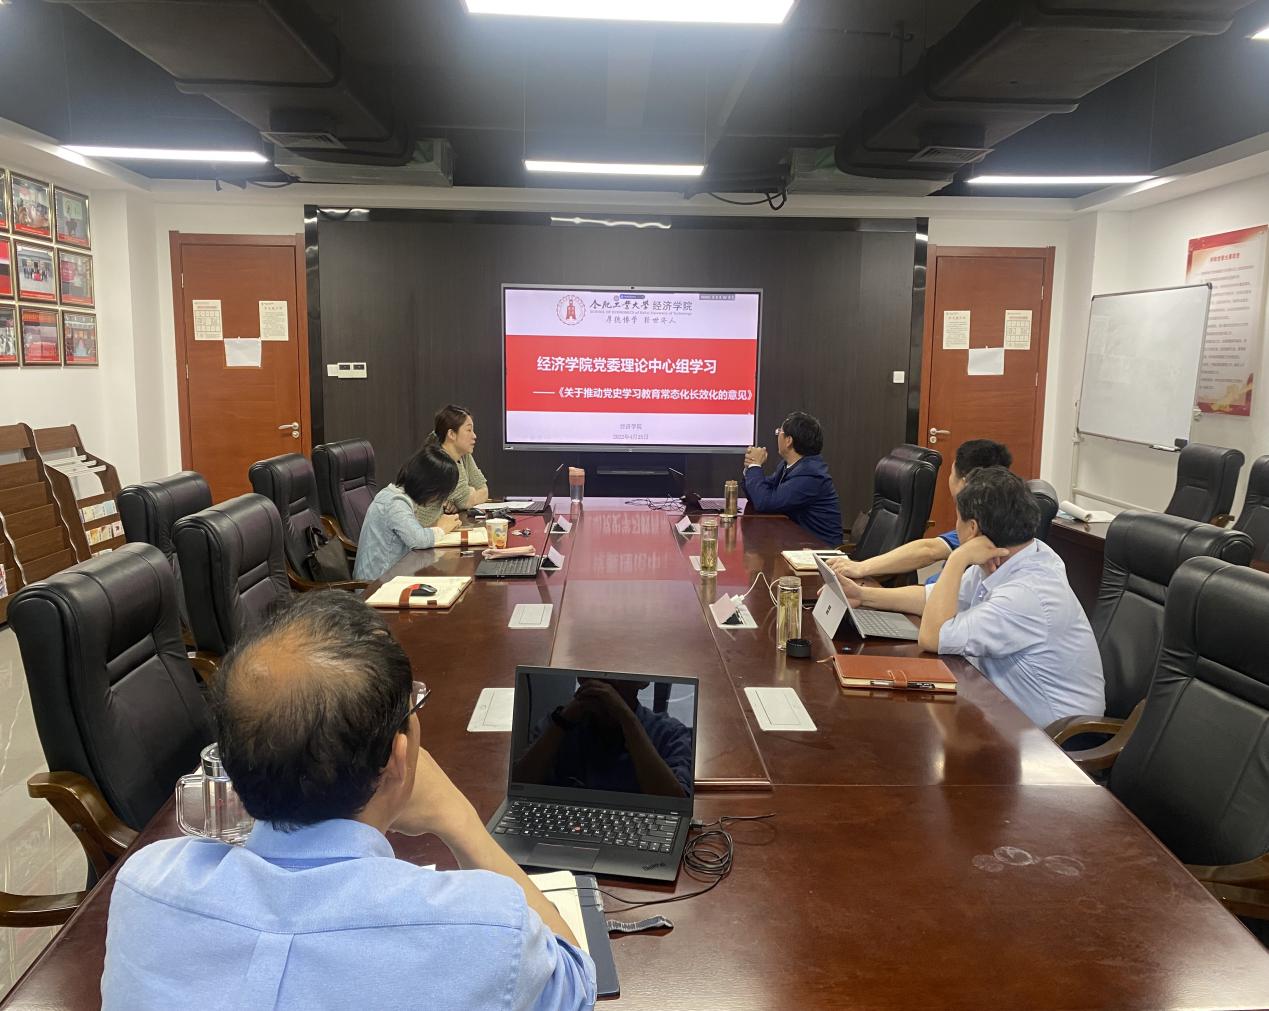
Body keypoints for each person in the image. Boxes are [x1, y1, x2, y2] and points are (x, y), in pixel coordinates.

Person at [101, 592, 596, 1010]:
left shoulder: (144, 886)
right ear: (397, 759)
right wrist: (459, 820)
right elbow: (575, 980)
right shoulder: (488, 930)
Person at [828, 466, 1104, 728]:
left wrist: (958, 557)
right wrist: (863, 595)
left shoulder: (1027, 593)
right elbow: (931, 598)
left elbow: (932, 638)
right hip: (1000, 710)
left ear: (972, 529)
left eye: (957, 519)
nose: (955, 526)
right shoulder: (1013, 556)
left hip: (1052, 739)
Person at [831, 439, 1012, 583]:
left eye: (951, 472)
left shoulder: (980, 529)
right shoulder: (1000, 520)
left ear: (964, 483)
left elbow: (928, 551)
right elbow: (930, 548)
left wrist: (861, 569)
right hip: (927, 596)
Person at [513, 677, 694, 798]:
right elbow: (518, 787)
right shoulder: (558, 725)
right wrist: (563, 721)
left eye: (616, 676)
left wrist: (627, 720)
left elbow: (677, 804)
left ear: (643, 682)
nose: (604, 687)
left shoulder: (669, 733)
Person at [353, 445, 462, 582]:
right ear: (429, 486)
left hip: (394, 576)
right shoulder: (395, 502)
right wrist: (441, 529)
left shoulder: (396, 495)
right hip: (377, 585)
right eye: (440, 494)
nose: (439, 499)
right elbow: (418, 540)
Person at [741, 411, 843, 546]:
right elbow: (760, 495)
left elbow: (764, 502)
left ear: (788, 440)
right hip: (798, 542)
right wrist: (750, 468)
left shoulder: (810, 475)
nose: (777, 436)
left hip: (820, 549)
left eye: (779, 432)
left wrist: (755, 465)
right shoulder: (789, 465)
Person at [415, 405, 489, 527]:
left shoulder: (463, 454)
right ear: (451, 434)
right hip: (421, 531)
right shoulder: (440, 462)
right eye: (469, 430)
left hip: (438, 528)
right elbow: (467, 501)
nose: (474, 436)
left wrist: (460, 501)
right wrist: (469, 492)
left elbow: (484, 490)